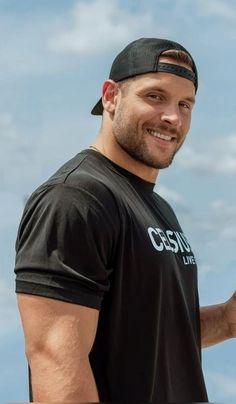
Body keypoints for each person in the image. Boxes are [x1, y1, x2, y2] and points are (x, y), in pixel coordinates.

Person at [15, 37, 236, 403]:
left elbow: (145, 337)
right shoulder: (76, 198)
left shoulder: (156, 207)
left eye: (185, 104)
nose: (173, 117)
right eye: (155, 97)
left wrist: (227, 320)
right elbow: (54, 361)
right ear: (111, 96)